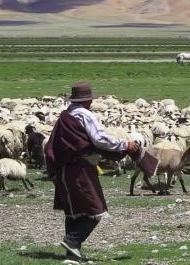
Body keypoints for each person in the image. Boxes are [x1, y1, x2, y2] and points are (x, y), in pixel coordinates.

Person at [45, 81, 140, 261]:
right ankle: (72, 241)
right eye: (90, 100)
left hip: (65, 169)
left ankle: (72, 256)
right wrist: (124, 144)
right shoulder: (84, 115)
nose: (91, 103)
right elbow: (98, 138)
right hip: (81, 168)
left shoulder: (65, 116)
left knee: (74, 212)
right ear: (86, 100)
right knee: (94, 210)